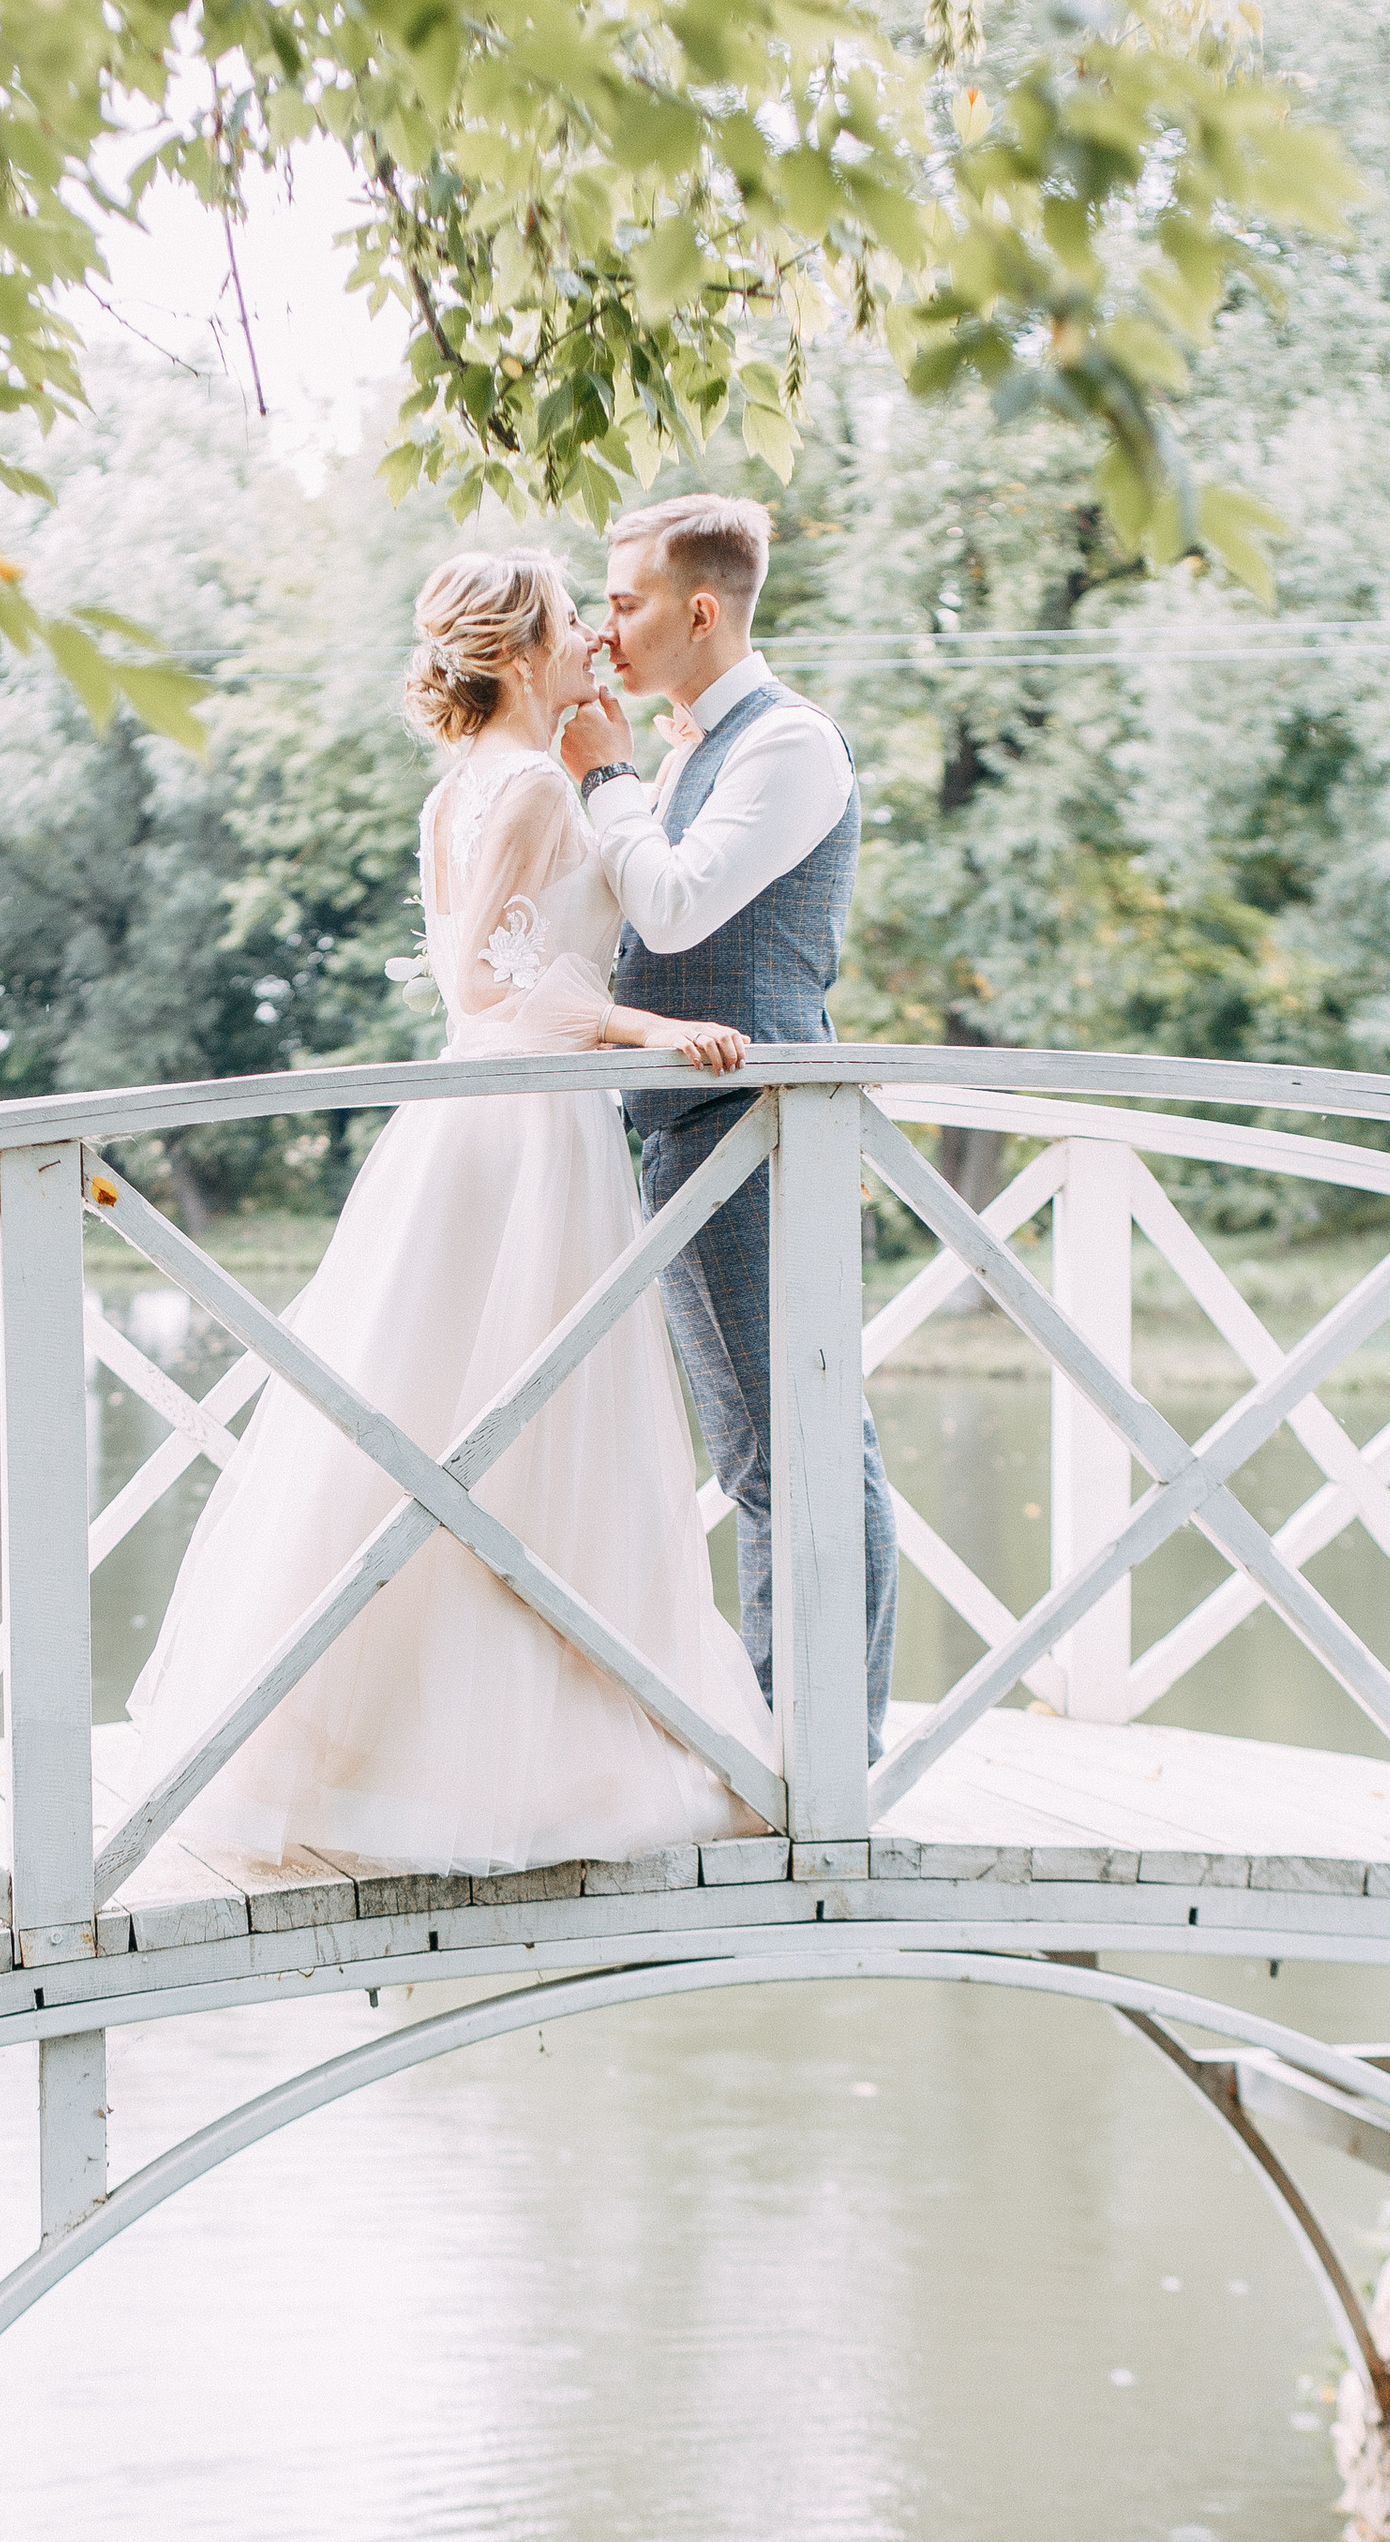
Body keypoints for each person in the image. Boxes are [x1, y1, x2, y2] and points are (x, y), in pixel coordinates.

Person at [125, 545, 774, 1874]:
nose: (598, 637)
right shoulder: (530, 782)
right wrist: (651, 1026)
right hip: (527, 1133)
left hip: (470, 1126)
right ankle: (515, 1761)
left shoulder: (465, 789)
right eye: (574, 622)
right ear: (527, 649)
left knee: (437, 1418)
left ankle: (381, 1747)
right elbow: (490, 980)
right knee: (528, 1433)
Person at [557, 492, 899, 1749]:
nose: (608, 625)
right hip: (684, 1128)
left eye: (627, 601)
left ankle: (824, 1748)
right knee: (759, 1451)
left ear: (701, 610)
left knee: (801, 1440)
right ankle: (783, 1732)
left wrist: (601, 777)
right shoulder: (695, 747)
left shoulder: (787, 743)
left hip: (755, 1130)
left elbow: (685, 907)